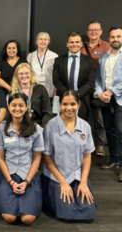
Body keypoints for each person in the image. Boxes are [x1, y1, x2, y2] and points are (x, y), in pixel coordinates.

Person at [42, 90, 96, 220]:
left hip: (77, 175)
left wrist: (83, 182)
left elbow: (87, 155)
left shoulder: (85, 126)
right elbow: (47, 157)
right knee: (66, 215)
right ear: (59, 105)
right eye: (65, 104)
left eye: (73, 104)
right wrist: (62, 182)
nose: (69, 108)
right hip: (57, 176)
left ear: (78, 105)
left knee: (88, 213)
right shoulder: (50, 126)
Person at [0, 93, 44, 225]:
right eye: (14, 105)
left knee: (27, 219)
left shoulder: (36, 128)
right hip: (8, 173)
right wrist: (11, 181)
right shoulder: (1, 128)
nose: (17, 109)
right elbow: (0, 158)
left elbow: (37, 159)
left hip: (28, 174)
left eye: (21, 105)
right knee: (10, 217)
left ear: (27, 107)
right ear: (8, 107)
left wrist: (26, 181)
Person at [94, 26, 122, 180]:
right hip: (106, 99)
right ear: (108, 39)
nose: (115, 39)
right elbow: (98, 79)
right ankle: (114, 159)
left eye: (118, 36)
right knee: (109, 130)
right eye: (112, 37)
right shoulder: (103, 57)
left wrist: (112, 91)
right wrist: (99, 93)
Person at [80, 21, 111, 157]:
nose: (93, 32)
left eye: (96, 30)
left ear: (101, 31)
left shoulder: (106, 46)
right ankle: (83, 144)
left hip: (98, 89)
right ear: (87, 32)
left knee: (98, 118)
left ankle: (99, 145)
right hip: (83, 88)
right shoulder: (80, 46)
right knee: (82, 118)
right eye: (91, 30)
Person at [53, 32, 96, 120]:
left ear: (81, 44)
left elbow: (90, 82)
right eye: (71, 42)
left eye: (77, 42)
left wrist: (75, 95)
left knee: (79, 128)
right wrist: (67, 95)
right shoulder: (58, 60)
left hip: (82, 99)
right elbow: (56, 80)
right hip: (62, 98)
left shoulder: (89, 61)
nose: (74, 44)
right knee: (60, 126)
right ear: (67, 44)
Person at [11, 63, 52, 127]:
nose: (24, 76)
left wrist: (42, 127)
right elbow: (10, 113)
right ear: (17, 76)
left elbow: (47, 112)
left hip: (39, 126)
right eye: (21, 74)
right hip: (19, 126)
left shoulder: (40, 89)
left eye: (27, 73)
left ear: (31, 74)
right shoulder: (13, 92)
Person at [27, 32, 58, 97]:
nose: (43, 41)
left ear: (48, 42)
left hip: (49, 89)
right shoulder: (30, 56)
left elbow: (57, 75)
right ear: (36, 41)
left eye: (45, 39)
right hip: (34, 89)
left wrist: (56, 91)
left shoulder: (54, 56)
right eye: (40, 39)